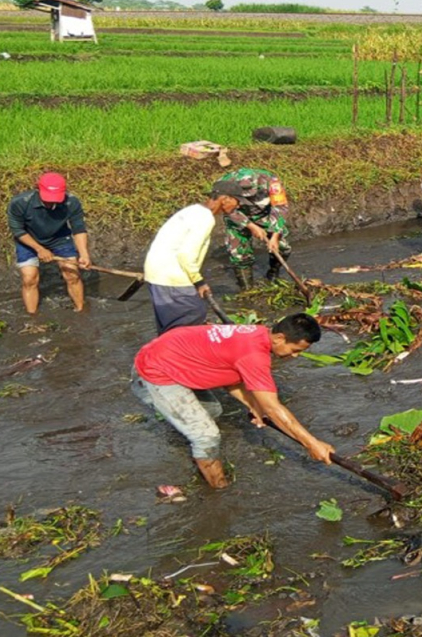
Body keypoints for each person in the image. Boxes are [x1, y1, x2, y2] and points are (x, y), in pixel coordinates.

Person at [130, 313, 334, 489]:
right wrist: (311, 443)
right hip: (155, 372)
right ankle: (219, 489)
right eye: (295, 350)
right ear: (280, 338)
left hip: (170, 355)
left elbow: (230, 374)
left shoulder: (257, 333)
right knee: (206, 436)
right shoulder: (254, 355)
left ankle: (198, 455)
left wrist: (253, 405)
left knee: (212, 412)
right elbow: (273, 408)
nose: (296, 356)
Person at [143, 180, 246, 335]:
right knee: (192, 317)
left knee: (171, 328)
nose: (237, 206)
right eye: (237, 201)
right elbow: (186, 255)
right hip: (172, 277)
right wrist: (199, 282)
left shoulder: (192, 210)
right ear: (225, 199)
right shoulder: (205, 219)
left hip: (156, 275)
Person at [8, 173, 92, 314]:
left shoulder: (71, 202)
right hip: (28, 240)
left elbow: (78, 229)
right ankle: (32, 317)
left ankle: (81, 310)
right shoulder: (20, 203)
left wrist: (84, 254)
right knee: (29, 278)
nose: (51, 203)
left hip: (59, 238)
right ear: (38, 189)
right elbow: (17, 230)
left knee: (72, 274)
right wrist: (39, 249)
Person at [215, 168, 291, 290]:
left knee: (282, 248)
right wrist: (250, 225)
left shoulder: (272, 182)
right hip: (237, 215)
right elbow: (227, 209)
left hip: (264, 214)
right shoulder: (223, 185)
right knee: (239, 254)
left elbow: (280, 208)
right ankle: (247, 289)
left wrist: (275, 235)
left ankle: (273, 274)